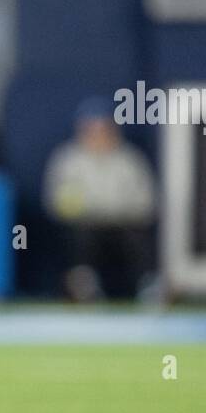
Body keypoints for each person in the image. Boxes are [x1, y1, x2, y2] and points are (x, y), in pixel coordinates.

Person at [43, 99, 157, 301]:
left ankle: (149, 287)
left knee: (138, 236)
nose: (98, 135)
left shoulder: (129, 160)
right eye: (92, 129)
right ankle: (83, 287)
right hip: (86, 224)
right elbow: (57, 201)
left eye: (103, 128)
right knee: (80, 235)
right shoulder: (69, 160)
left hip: (123, 224)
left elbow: (146, 201)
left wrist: (118, 214)